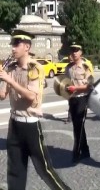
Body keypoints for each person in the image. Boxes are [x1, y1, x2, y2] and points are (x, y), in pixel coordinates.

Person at [0, 30, 71, 189]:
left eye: (16, 44)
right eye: (12, 44)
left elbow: (31, 96)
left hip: (30, 125)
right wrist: (2, 80)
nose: (12, 48)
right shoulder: (10, 68)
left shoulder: (35, 68)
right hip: (14, 124)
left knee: (44, 169)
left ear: (26, 46)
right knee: (15, 170)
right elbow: (2, 95)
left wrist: (9, 80)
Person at [64, 42, 93, 163]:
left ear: (81, 52)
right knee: (77, 126)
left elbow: (89, 85)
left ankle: (76, 152)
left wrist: (76, 88)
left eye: (76, 50)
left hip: (82, 98)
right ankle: (85, 150)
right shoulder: (68, 67)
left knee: (78, 126)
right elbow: (65, 82)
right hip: (72, 99)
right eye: (72, 50)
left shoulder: (86, 67)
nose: (74, 53)